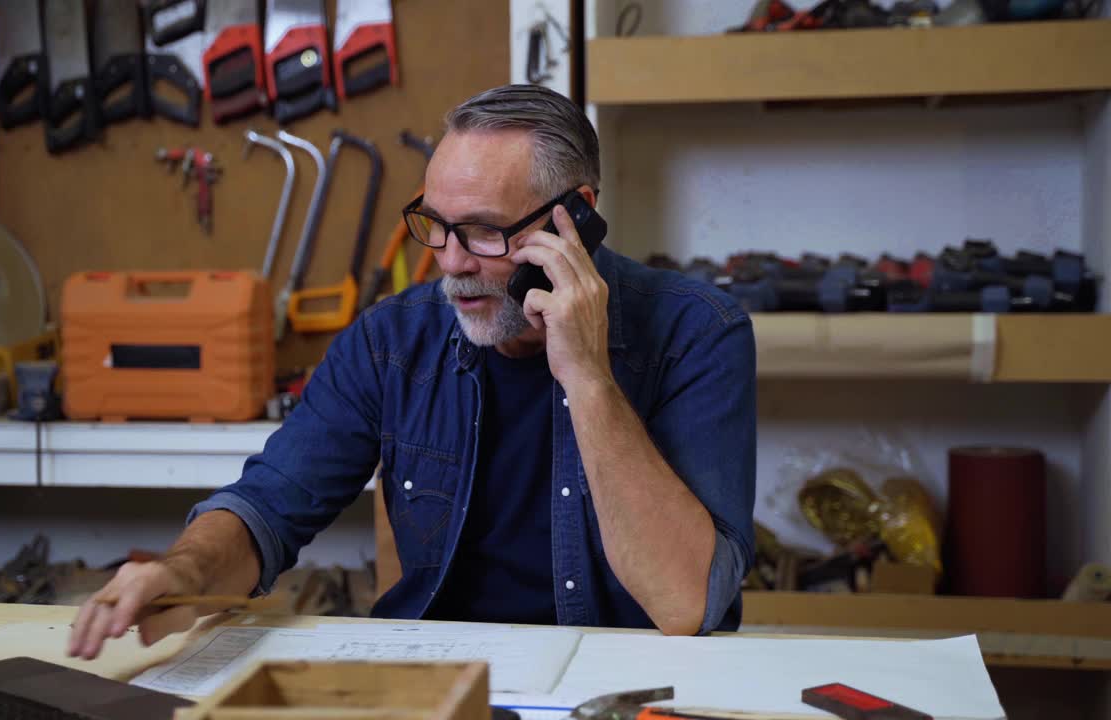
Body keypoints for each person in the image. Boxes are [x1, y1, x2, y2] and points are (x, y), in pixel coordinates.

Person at [68, 84, 755, 661]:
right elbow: (268, 508)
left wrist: (587, 375)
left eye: (484, 231)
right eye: (436, 224)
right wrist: (182, 573)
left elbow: (685, 605)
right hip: (439, 679)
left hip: (622, 684)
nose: (450, 262)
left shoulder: (697, 333)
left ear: (578, 216)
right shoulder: (390, 341)